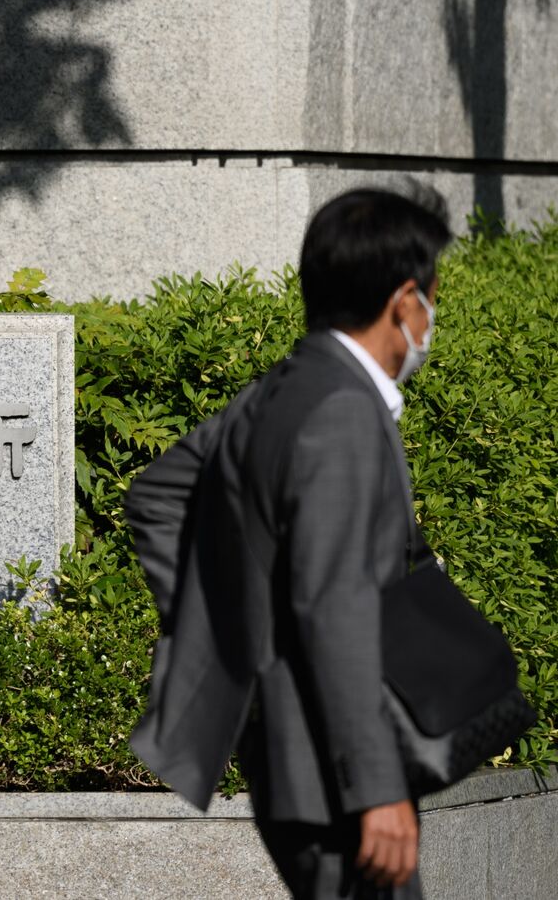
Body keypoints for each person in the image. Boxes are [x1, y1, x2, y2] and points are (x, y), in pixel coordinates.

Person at [124, 187, 453, 899]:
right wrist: (376, 786)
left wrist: (234, 627)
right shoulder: (341, 411)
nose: (431, 319)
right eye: (431, 297)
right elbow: (334, 604)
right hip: (333, 771)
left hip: (295, 755)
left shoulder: (282, 389)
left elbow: (157, 494)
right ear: (403, 300)